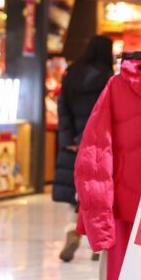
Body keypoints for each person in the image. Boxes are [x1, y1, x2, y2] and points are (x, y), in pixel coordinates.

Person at [54, 35, 114, 262]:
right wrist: (88, 138)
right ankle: (97, 246)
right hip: (97, 145)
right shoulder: (107, 78)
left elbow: (63, 108)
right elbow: (103, 112)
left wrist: (69, 138)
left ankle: (72, 232)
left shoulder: (72, 73)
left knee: (74, 196)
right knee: (97, 195)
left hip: (72, 147)